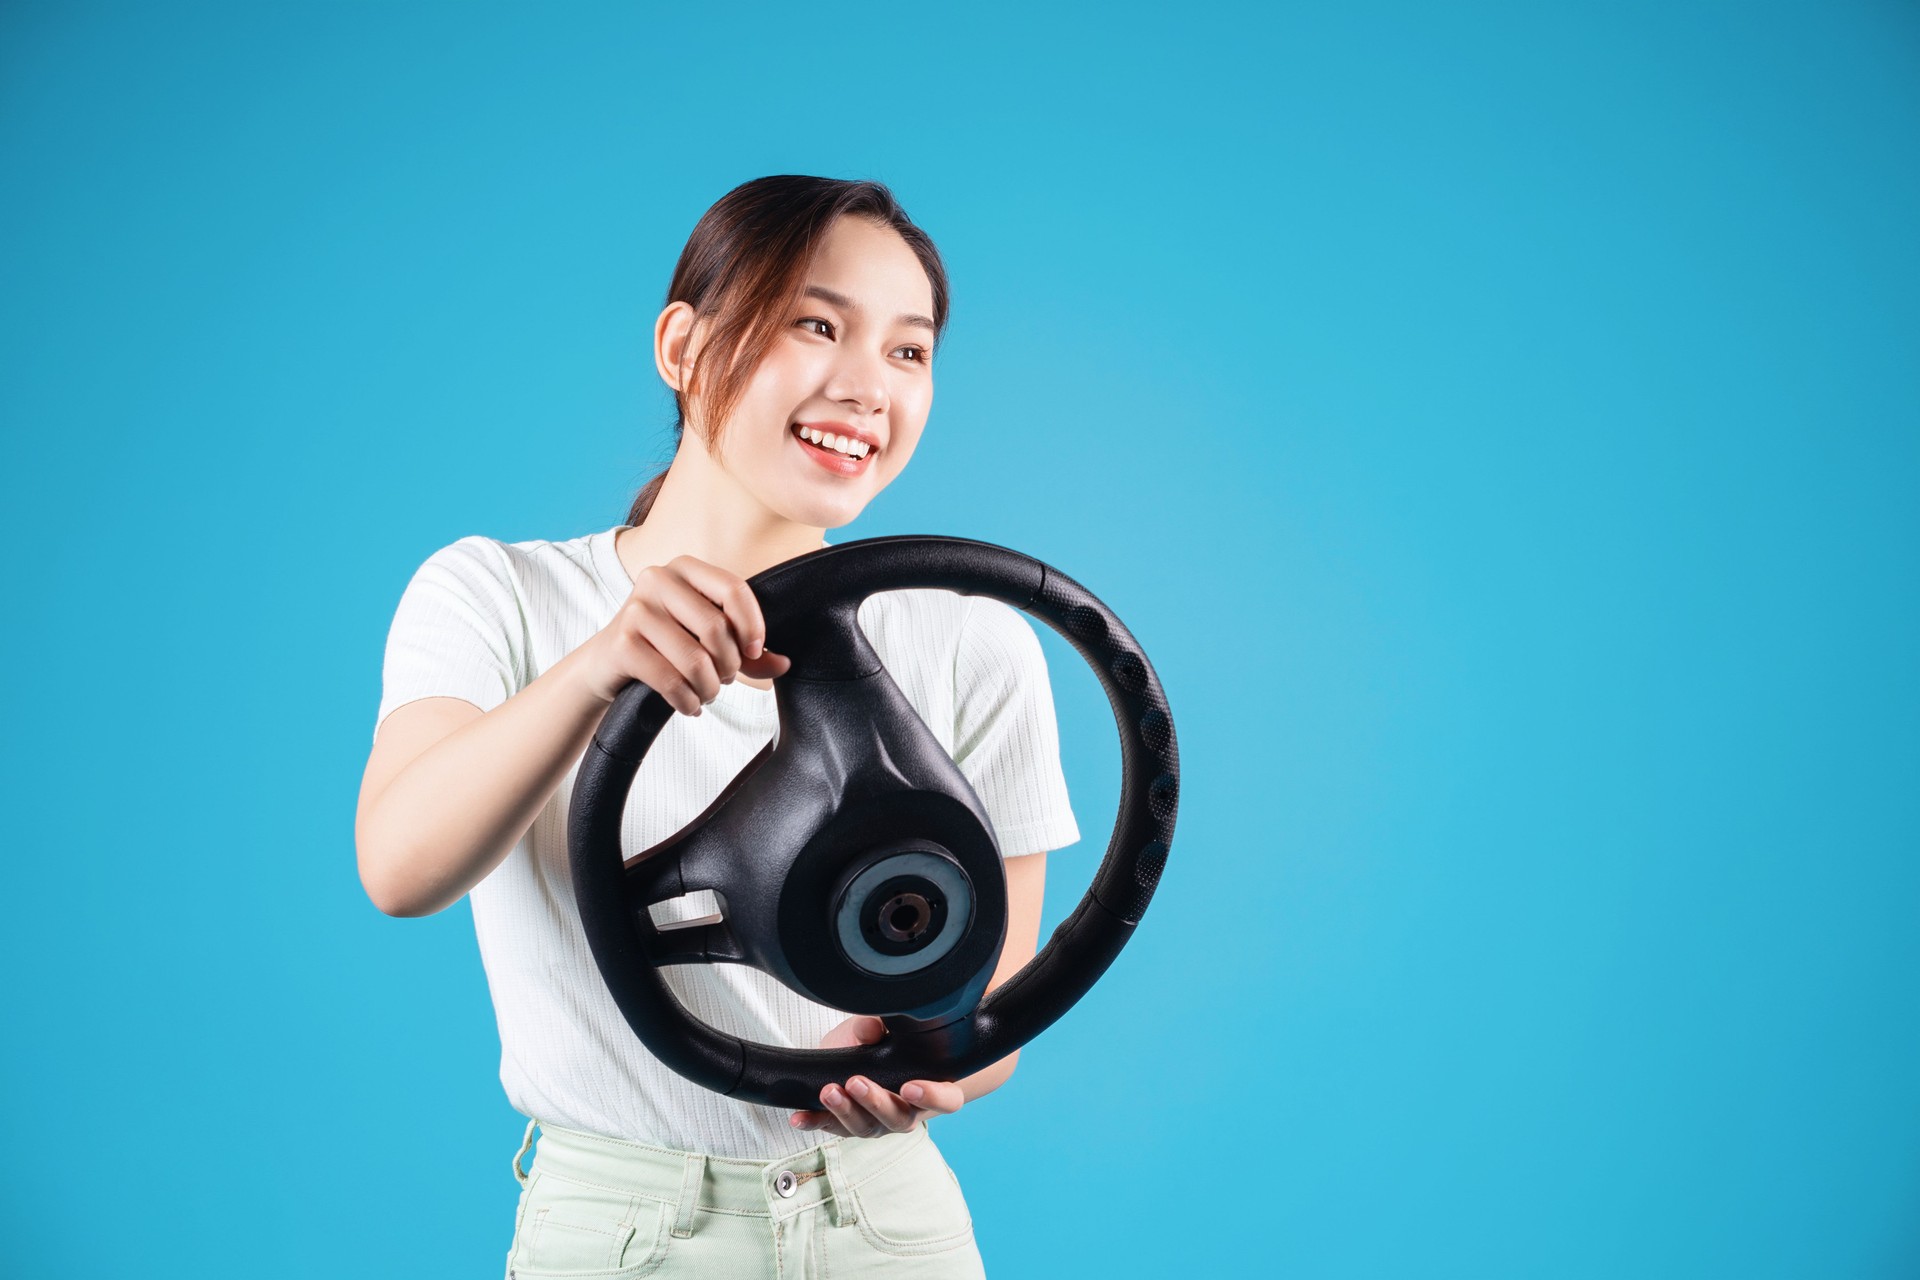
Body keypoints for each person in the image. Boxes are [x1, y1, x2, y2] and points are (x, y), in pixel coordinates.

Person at [355, 175, 1081, 1278]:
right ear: (683, 343)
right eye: (818, 323)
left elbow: (993, 1006)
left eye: (909, 351)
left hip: (890, 1226)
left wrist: (930, 1065)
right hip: (623, 1229)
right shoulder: (494, 594)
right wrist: (601, 669)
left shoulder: (976, 640)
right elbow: (401, 866)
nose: (866, 386)